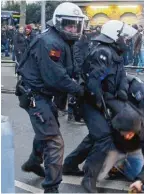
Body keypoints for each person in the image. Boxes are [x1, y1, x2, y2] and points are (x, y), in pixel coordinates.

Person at [15, 2, 85, 193]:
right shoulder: (50, 42)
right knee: (54, 141)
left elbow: (71, 68)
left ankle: (33, 161)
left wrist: (82, 79)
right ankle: (51, 188)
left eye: (75, 25)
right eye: (69, 24)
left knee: (47, 130)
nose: (72, 28)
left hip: (43, 94)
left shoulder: (64, 41)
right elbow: (56, 77)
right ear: (58, 23)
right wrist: (79, 90)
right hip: (35, 94)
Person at [63, 20, 137, 193]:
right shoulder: (102, 53)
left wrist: (123, 91)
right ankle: (89, 179)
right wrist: (101, 104)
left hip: (105, 99)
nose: (125, 40)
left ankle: (69, 164)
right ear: (113, 36)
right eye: (123, 37)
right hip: (91, 100)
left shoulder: (115, 53)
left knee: (96, 136)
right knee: (103, 137)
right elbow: (93, 83)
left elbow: (122, 77)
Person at [63, 75, 144, 193]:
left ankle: (122, 166)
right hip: (115, 147)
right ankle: (71, 164)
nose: (127, 136)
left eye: (130, 134)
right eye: (125, 133)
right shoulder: (113, 122)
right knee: (99, 139)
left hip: (133, 149)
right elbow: (94, 138)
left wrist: (140, 180)